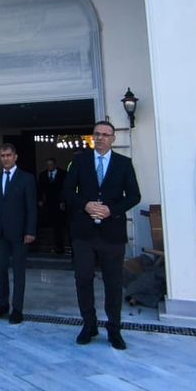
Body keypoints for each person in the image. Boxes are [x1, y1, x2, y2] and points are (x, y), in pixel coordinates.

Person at [63, 120, 141, 350]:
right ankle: (89, 324)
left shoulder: (123, 164)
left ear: (113, 138)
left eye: (105, 135)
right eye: (97, 134)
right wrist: (85, 204)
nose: (100, 138)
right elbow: (67, 191)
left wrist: (111, 209)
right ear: (92, 136)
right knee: (83, 279)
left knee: (113, 283)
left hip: (112, 233)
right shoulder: (79, 161)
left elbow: (134, 196)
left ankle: (114, 329)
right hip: (83, 233)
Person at [0, 144, 37, 324]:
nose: (5, 158)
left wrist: (30, 231)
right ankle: (3, 303)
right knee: (0, 270)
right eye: (2, 156)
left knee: (18, 272)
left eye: (8, 155)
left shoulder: (27, 179)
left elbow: (31, 207)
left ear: (15, 157)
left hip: (19, 232)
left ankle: (17, 308)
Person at [38, 157, 67, 255]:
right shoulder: (43, 175)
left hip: (59, 203)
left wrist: (63, 201)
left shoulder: (63, 174)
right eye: (48, 165)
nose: (49, 166)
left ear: (55, 165)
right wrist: (40, 200)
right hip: (48, 203)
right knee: (48, 225)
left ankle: (60, 247)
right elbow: (40, 189)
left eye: (51, 164)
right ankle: (50, 246)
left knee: (58, 226)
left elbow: (65, 188)